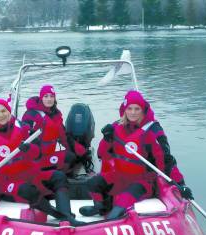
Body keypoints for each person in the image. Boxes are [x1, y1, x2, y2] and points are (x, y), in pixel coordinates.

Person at [0, 98, 83, 226]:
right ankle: (58, 215)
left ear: (8, 111)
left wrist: (29, 148)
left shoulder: (23, 127)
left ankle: (67, 215)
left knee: (59, 176)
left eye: (3, 111)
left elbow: (39, 152)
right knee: (28, 190)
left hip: (31, 173)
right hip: (9, 180)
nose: (1, 115)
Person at [79, 90, 193, 219]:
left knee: (124, 198)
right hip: (120, 175)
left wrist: (181, 184)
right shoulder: (116, 127)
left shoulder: (152, 130)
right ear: (124, 109)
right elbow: (101, 154)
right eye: (130, 108)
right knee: (93, 183)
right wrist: (106, 138)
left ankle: (113, 217)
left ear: (143, 110)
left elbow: (167, 160)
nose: (133, 112)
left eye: (137, 109)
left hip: (143, 180)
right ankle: (101, 207)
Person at [21, 85, 88, 175]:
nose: (49, 99)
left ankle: (59, 173)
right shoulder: (30, 114)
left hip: (53, 147)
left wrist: (76, 147)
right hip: (38, 152)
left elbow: (63, 134)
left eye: (51, 96)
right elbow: (23, 136)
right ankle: (53, 177)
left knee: (76, 156)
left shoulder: (55, 113)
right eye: (46, 96)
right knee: (69, 158)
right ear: (41, 98)